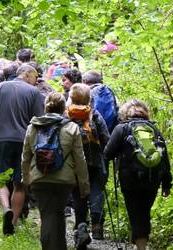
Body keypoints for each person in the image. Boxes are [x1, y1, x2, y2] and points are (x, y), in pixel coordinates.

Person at [21, 92, 90, 250]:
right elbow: (80, 159)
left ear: (45, 106)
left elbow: (25, 157)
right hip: (64, 180)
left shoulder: (33, 127)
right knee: (57, 214)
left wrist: (26, 180)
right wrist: (84, 185)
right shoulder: (71, 127)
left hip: (39, 178)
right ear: (63, 108)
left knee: (48, 215)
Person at [0, 64, 44, 235]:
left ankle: (6, 208)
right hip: (24, 142)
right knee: (20, 184)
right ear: (27, 75)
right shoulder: (34, 93)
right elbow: (39, 120)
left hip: (2, 140)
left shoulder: (0, 87)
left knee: (0, 179)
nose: (36, 81)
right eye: (35, 78)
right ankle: (14, 223)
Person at [104, 99, 172, 250]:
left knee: (135, 212)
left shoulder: (121, 128)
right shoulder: (154, 129)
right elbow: (164, 158)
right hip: (153, 178)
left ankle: (141, 245)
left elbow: (107, 153)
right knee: (144, 211)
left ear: (125, 112)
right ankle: (139, 242)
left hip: (130, 179)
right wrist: (167, 184)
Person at [67, 84, 110, 245]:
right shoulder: (94, 115)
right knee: (96, 190)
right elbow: (106, 138)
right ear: (88, 98)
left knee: (79, 195)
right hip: (96, 161)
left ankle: (81, 226)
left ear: (71, 97)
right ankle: (97, 226)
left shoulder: (67, 115)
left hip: (75, 164)